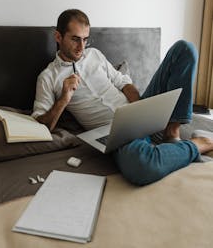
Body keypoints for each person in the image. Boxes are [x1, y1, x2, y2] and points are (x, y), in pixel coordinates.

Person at [32, 9, 213, 185]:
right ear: (58, 37)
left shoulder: (95, 55)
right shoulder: (48, 77)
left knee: (184, 49)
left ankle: (172, 132)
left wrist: (140, 107)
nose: (81, 47)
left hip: (138, 110)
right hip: (114, 132)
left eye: (85, 39)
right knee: (142, 167)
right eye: (75, 39)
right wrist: (64, 98)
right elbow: (41, 125)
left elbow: (123, 82)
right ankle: (198, 145)